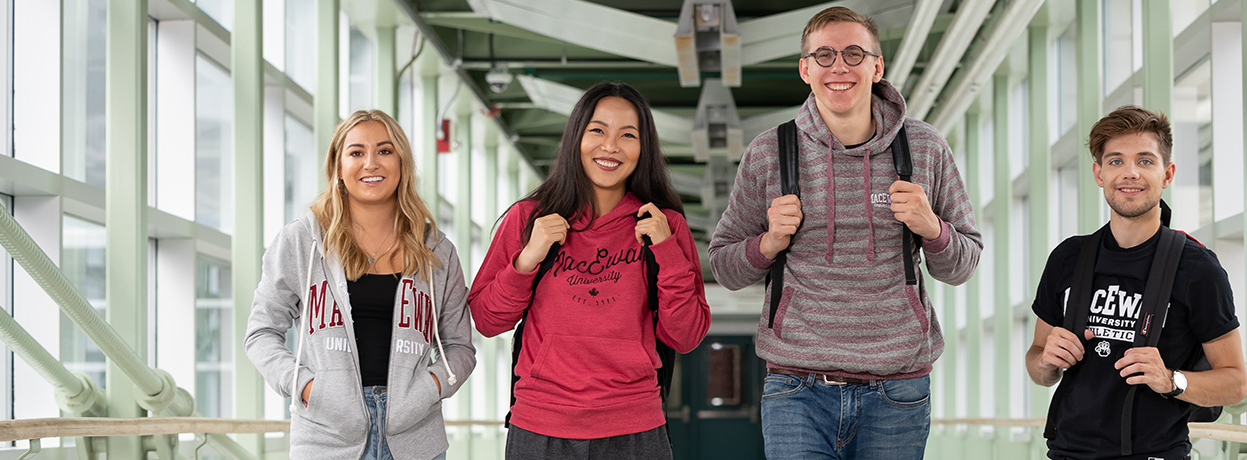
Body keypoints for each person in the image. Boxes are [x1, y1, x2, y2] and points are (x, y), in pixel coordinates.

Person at [707, 6, 982, 460]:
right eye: (825, 55)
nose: (839, 67)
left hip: (898, 388)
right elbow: (724, 267)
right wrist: (769, 243)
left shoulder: (926, 147)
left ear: (876, 67)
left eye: (854, 54)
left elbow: (964, 265)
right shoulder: (768, 153)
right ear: (805, 69)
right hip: (796, 386)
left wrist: (932, 228)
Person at [469, 82, 711, 460]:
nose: (610, 146)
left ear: (643, 148)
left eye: (627, 135)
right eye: (597, 130)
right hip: (540, 426)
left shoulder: (665, 226)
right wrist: (527, 259)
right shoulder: (528, 219)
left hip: (636, 428)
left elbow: (687, 335)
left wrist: (667, 251)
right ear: (576, 138)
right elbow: (486, 319)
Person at [245, 109, 476, 460]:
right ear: (338, 168)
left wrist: (429, 389)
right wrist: (307, 388)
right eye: (356, 153)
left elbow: (459, 346)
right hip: (326, 439)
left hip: (416, 439)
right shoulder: (301, 241)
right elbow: (261, 333)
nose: (371, 163)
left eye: (385, 151)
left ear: (402, 164)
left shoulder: (437, 250)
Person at [1024, 106, 1247, 459]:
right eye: (1115, 161)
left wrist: (1172, 380)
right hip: (1066, 452)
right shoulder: (1069, 258)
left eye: (1145, 161)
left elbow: (1235, 383)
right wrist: (1047, 362)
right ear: (1099, 173)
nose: (1130, 173)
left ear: (1167, 173)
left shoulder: (1197, 268)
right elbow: (1038, 365)